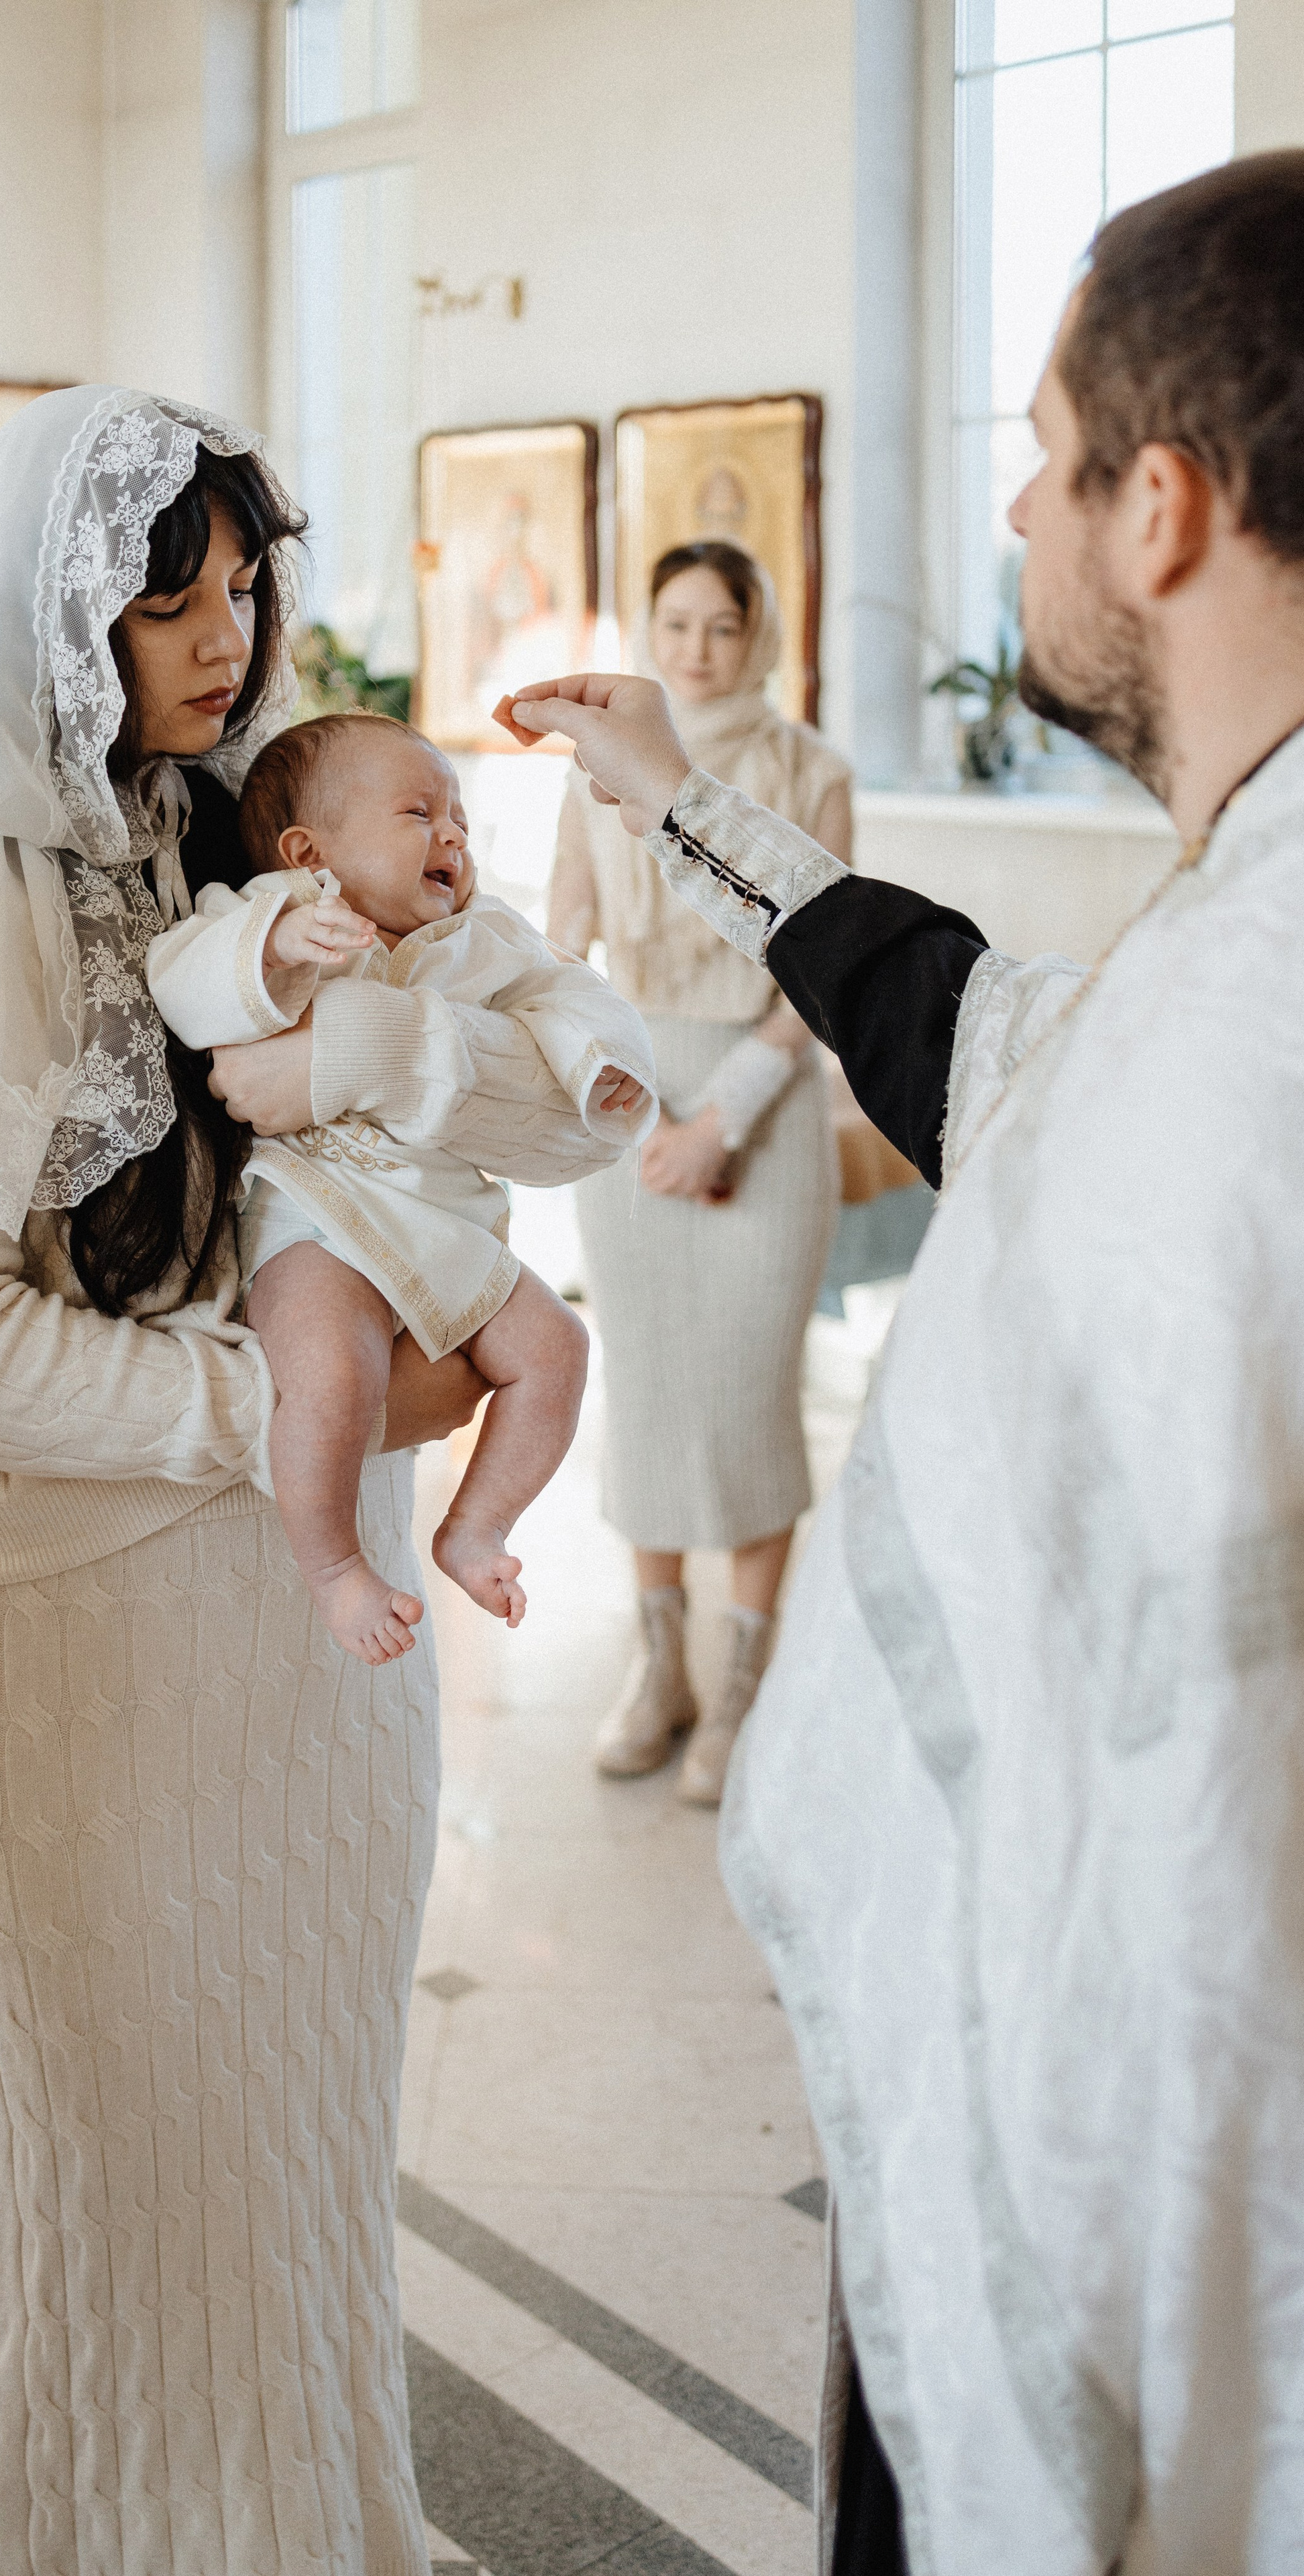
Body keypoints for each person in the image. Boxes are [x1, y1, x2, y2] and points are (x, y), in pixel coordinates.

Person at [498, 148, 1304, 2576]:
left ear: (1158, 510)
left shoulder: (1263, 1032)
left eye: (1042, 455)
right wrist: (676, 801)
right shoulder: (1266, 902)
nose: (1010, 509)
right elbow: (989, 1032)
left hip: (1154, 2224)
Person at [0, 385, 633, 2576]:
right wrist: (295, 1421)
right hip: (53, 1660)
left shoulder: (225, 839)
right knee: (88, 2223)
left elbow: (485, 1112)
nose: (224, 639)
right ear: (51, 607)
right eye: (167, 597)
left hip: (299, 1669)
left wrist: (438, 1037)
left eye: (245, 586)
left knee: (298, 2189)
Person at [147, 710, 655, 1662]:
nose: (452, 835)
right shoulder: (266, 914)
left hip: (443, 1224)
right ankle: (336, 1566)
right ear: (309, 853)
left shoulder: (481, 936)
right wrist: (273, 944)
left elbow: (568, 994)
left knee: (558, 1347)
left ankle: (476, 1526)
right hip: (317, 1216)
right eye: (420, 813)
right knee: (332, 1373)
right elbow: (178, 983)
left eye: (457, 817)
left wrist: (597, 1061)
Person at [547, 540, 849, 1804]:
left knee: (747, 1396)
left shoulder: (810, 769)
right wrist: (621, 1097)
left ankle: (743, 1680)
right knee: (652, 1392)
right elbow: (561, 953)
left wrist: (722, 1119)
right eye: (675, 624)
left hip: (760, 1105)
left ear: (757, 633)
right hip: (630, 1096)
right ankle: (660, 1664)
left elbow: (827, 972)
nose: (697, 649)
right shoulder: (595, 768)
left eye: (722, 626)